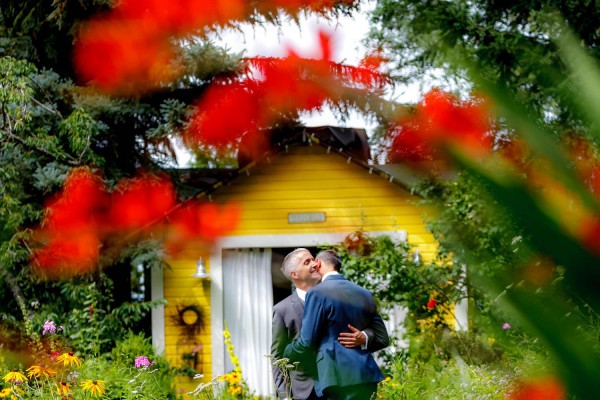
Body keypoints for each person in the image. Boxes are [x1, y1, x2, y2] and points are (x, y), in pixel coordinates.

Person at [272, 248, 388, 400]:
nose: (315, 263)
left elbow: (377, 331)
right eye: (307, 262)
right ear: (295, 274)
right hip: (305, 390)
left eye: (313, 259)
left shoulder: (342, 293)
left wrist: (364, 336)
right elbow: (277, 356)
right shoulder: (282, 310)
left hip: (340, 383)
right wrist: (284, 396)